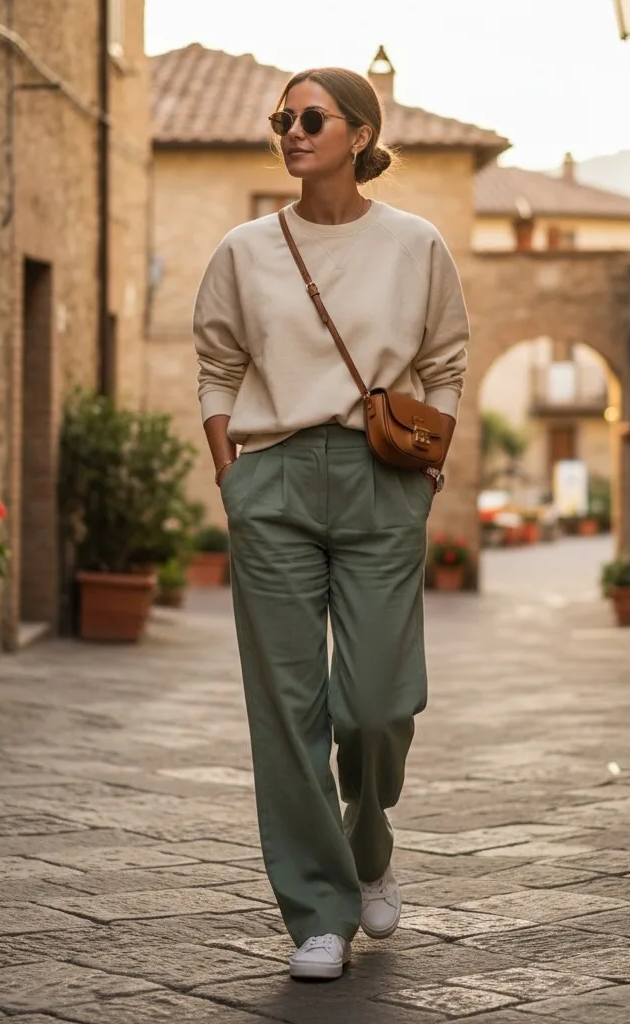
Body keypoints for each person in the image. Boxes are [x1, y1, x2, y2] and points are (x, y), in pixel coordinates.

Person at [192, 64, 470, 981]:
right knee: (287, 709)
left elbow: (443, 358)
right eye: (282, 118)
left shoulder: (415, 242)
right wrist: (228, 464)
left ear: (358, 134)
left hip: (378, 474)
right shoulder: (243, 249)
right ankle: (317, 908)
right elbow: (218, 361)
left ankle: (369, 836)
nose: (291, 131)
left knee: (378, 703)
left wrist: (429, 461)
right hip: (270, 479)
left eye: (310, 117)